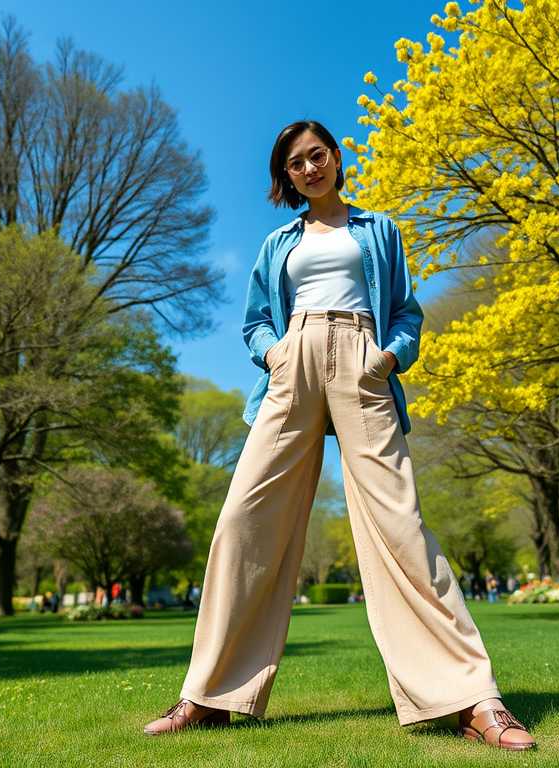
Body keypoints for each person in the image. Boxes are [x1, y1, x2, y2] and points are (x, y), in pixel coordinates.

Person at [142, 120, 535, 752]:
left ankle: (472, 698)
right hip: (291, 364)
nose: (308, 168)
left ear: (334, 157)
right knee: (243, 519)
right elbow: (253, 324)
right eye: (295, 163)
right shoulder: (279, 243)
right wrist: (275, 356)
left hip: (362, 360)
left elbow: (405, 309)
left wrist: (387, 358)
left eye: (316, 155)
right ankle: (209, 696)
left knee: (401, 524)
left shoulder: (378, 231)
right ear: (287, 177)